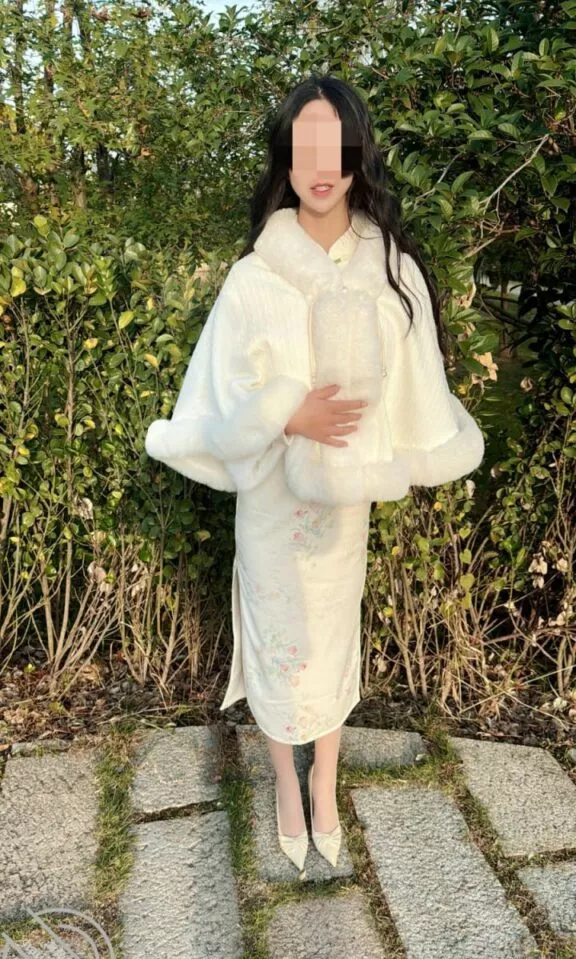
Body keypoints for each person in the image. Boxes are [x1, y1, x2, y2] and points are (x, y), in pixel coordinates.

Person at [145, 75, 484, 873]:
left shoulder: (387, 268)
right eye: (306, 148)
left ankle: (324, 782)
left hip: (342, 509)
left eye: (336, 147)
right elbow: (220, 393)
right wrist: (283, 413)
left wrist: (400, 445)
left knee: (331, 632)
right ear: (286, 159)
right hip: (270, 501)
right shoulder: (254, 277)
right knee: (275, 637)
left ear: (357, 155)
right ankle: (284, 788)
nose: (322, 167)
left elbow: (414, 381)